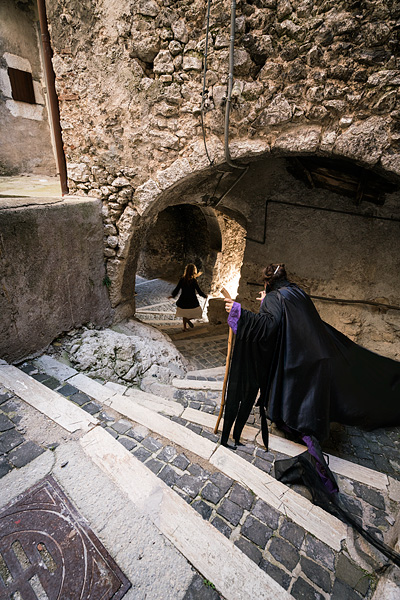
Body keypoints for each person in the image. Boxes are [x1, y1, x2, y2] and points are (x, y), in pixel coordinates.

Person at [222, 263, 400, 566]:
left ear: (267, 285)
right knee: (307, 405)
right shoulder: (295, 292)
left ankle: (319, 470)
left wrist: (237, 312)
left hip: (303, 364)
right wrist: (266, 303)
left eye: (264, 289)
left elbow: (266, 328)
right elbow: (283, 315)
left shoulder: (275, 299)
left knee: (302, 411)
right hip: (318, 357)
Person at [169, 264, 207, 331]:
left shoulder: (182, 279)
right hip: (192, 299)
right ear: (194, 271)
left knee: (184, 313)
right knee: (198, 312)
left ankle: (184, 327)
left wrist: (173, 295)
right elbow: (198, 290)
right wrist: (204, 295)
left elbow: (177, 288)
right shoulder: (194, 281)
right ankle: (188, 319)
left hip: (183, 298)